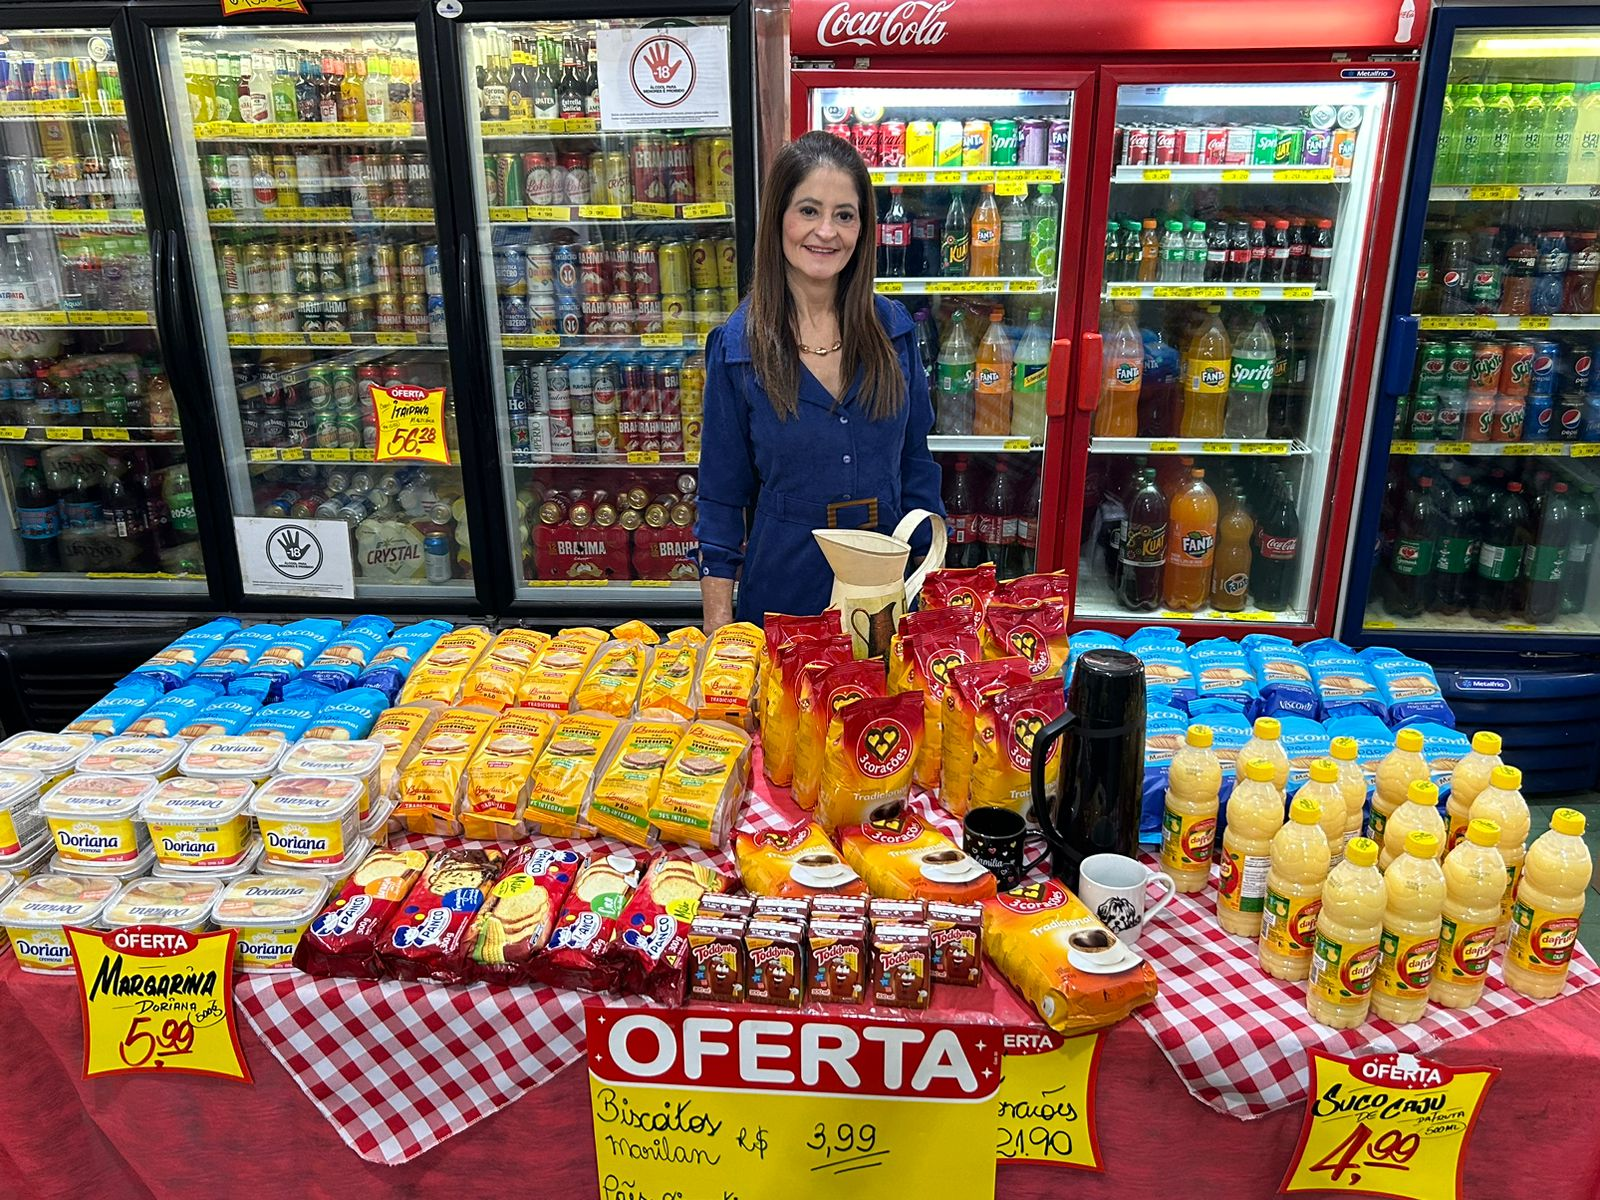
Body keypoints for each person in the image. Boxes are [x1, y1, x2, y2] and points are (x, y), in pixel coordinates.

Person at [695, 130, 943, 630]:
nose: (826, 232)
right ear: (778, 218)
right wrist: (718, 632)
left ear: (863, 228)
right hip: (783, 592)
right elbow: (720, 499)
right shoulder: (738, 349)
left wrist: (930, 588)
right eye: (809, 210)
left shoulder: (893, 333)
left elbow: (916, 464)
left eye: (844, 215)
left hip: (885, 592)